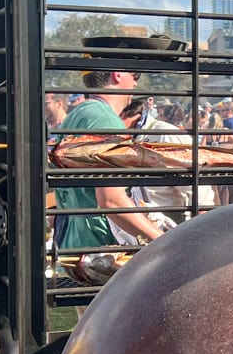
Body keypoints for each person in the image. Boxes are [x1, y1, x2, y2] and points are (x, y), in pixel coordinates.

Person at [55, 66, 164, 252]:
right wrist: (164, 242)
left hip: (74, 239)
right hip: (102, 244)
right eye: (135, 74)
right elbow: (112, 201)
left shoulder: (77, 114)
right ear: (118, 74)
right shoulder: (105, 121)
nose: (136, 83)